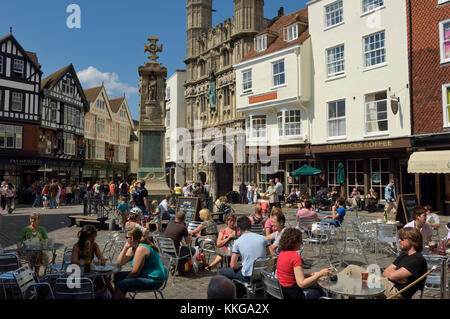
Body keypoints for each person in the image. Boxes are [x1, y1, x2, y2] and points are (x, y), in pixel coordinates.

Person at [339, 227, 428, 299]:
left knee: (352, 269)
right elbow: (386, 272)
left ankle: (330, 287)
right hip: (386, 284)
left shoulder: (418, 259)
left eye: (402, 238)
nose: (399, 240)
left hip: (395, 292)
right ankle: (334, 288)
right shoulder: (403, 255)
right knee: (354, 281)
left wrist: (393, 275)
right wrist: (396, 276)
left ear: (411, 241)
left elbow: (392, 276)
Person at [113, 227, 166, 299]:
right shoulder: (133, 247)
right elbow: (119, 264)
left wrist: (125, 280)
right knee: (117, 275)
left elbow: (135, 272)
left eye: (126, 237)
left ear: (131, 238)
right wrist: (125, 248)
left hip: (154, 279)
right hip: (144, 274)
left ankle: (118, 295)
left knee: (121, 285)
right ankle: (119, 296)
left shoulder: (141, 248)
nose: (126, 239)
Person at [276, 228, 330, 299]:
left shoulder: (281, 253)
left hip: (284, 291)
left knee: (318, 284)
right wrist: (320, 274)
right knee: (323, 290)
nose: (302, 243)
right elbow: (302, 284)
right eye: (300, 241)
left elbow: (289, 275)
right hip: (295, 295)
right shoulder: (295, 256)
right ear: (293, 242)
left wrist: (309, 275)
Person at [219, 216, 270, 290]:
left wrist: (241, 265)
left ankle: (231, 293)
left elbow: (232, 265)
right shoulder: (263, 238)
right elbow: (272, 255)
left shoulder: (238, 242)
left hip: (248, 276)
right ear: (250, 227)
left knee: (222, 271)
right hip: (263, 274)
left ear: (239, 229)